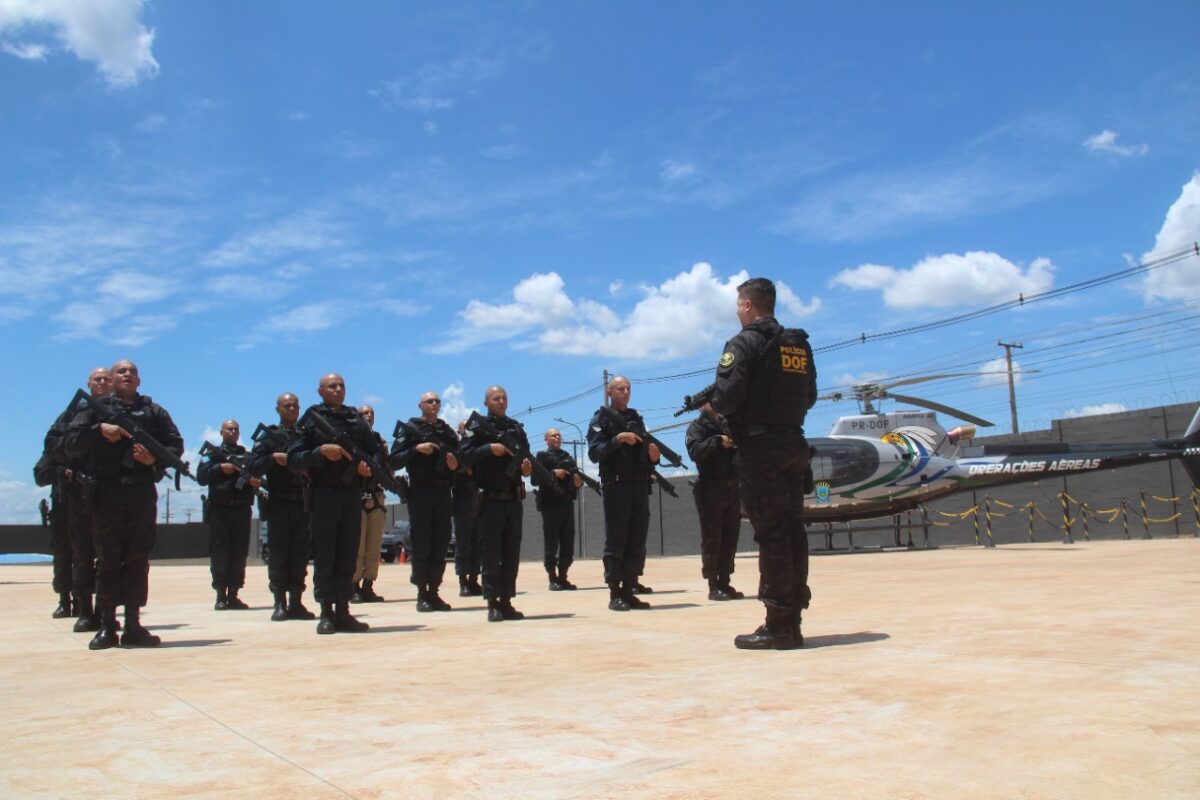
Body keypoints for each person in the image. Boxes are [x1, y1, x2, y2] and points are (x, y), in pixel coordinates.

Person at [706, 277, 817, 650]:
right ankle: (792, 618)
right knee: (792, 531)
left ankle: (778, 624)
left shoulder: (744, 343)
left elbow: (727, 396)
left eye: (739, 305)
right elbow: (811, 396)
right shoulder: (798, 345)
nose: (737, 311)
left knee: (772, 536)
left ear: (749, 305)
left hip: (760, 449)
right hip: (793, 444)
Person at [64, 360, 184, 650]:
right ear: (110, 379)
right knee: (107, 559)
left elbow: (174, 444)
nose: (127, 374)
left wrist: (152, 460)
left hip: (141, 493)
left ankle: (133, 624)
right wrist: (99, 430)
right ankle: (106, 624)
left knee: (137, 559)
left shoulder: (154, 411)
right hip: (107, 494)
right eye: (121, 371)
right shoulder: (93, 409)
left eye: (132, 372)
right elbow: (70, 443)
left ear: (139, 381)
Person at [286, 373, 375, 635]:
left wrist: (367, 467)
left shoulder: (354, 418)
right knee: (326, 554)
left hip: (350, 494)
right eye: (332, 386)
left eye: (342, 386)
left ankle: (344, 611)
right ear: (320, 391)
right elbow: (294, 459)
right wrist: (320, 452)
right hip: (323, 495)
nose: (338, 390)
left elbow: (373, 451)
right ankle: (326, 611)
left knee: (348, 554)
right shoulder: (312, 420)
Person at [35, 369, 111, 622]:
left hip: (105, 494)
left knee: (105, 554)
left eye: (105, 379)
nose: (102, 382)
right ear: (88, 384)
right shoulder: (72, 415)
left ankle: (101, 605)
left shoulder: (118, 411)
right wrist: (63, 471)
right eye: (97, 379)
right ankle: (69, 600)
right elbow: (49, 449)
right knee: (71, 553)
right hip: (70, 500)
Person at [587, 376, 659, 611]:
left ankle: (630, 589)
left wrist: (653, 457)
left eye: (628, 388)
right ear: (609, 392)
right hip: (616, 487)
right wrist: (617, 439)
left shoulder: (635, 418)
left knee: (636, 539)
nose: (625, 392)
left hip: (639, 485)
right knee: (617, 539)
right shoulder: (600, 420)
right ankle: (615, 592)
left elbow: (643, 453)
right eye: (620, 389)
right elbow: (595, 452)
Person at [459, 386, 531, 622]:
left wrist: (527, 468)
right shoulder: (475, 427)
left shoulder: (516, 428)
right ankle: (492, 602)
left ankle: (507, 600)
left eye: (504, 398)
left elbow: (526, 458)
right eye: (496, 398)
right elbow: (463, 457)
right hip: (489, 500)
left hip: (513, 499)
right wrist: (489, 448)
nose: (501, 401)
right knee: (491, 553)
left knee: (511, 553)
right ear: (486, 402)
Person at [248, 392, 315, 621]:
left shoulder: (306, 435)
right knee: (278, 554)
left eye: (295, 406)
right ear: (277, 409)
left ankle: (296, 601)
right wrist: (273, 459)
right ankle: (280, 602)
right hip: (278, 501)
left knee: (299, 554)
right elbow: (253, 467)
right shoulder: (269, 437)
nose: (292, 409)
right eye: (287, 406)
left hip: (302, 500)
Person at [390, 391, 459, 612]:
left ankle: (434, 591)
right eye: (429, 401)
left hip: (442, 491)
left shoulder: (446, 432)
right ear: (420, 405)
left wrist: (454, 464)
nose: (434, 404)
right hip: (420, 491)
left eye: (437, 401)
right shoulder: (410, 430)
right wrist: (416, 449)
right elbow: (394, 460)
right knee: (422, 543)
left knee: (441, 542)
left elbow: (461, 461)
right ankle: (422, 593)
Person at [197, 420, 259, 611]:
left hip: (241, 509)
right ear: (221, 432)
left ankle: (234, 594)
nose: (233, 432)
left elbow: (255, 475)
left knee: (239, 553)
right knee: (220, 552)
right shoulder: (212, 455)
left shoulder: (246, 456)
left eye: (236, 429)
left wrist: (254, 481)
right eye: (229, 429)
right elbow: (201, 477)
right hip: (220, 510)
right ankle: (220, 595)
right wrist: (220, 468)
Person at [686, 408, 744, 601]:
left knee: (730, 537)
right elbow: (695, 452)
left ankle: (725, 581)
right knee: (712, 539)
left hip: (732, 486)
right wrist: (717, 441)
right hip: (711, 488)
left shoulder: (729, 422)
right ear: (703, 406)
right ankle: (713, 584)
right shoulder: (697, 427)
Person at [532, 428, 582, 591]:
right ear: (546, 439)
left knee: (568, 542)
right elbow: (534, 479)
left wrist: (577, 482)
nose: (557, 437)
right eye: (553, 435)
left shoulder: (567, 457)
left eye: (559, 435)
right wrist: (553, 473)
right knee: (551, 543)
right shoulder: (541, 457)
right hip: (550, 505)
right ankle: (552, 577)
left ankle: (563, 576)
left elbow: (576, 479)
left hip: (567, 503)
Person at [350, 404, 389, 604]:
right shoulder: (352, 439)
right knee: (357, 544)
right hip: (356, 494)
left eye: (371, 413)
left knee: (374, 544)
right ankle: (353, 585)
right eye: (364, 413)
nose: (369, 416)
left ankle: (368, 585)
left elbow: (386, 467)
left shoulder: (379, 441)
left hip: (375, 495)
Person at [452, 419, 483, 597]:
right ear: (459, 431)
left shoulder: (476, 449)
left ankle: (473, 580)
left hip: (477, 499)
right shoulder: (456, 449)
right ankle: (463, 581)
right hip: (462, 499)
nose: (469, 432)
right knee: (463, 543)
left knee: (477, 542)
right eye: (465, 429)